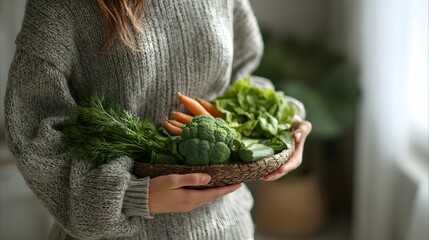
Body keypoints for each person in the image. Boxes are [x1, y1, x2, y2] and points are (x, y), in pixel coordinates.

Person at [4, 0, 312, 239]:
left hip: (226, 226)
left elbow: (239, 80)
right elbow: (34, 129)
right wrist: (132, 197)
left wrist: (284, 122)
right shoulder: (60, 6)